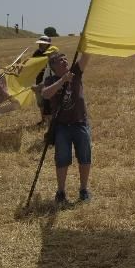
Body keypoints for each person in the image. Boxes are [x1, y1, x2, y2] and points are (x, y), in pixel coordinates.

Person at [43, 52, 92, 204]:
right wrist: (63, 80)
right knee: (62, 160)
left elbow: (86, 56)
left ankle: (83, 190)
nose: (64, 61)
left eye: (65, 58)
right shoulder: (50, 80)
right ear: (53, 66)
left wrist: (85, 44)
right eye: (60, 60)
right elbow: (45, 94)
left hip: (80, 123)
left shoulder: (75, 71)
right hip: (61, 126)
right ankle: (61, 192)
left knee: (85, 158)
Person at [31, 35, 60, 126]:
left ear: (48, 44)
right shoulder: (36, 53)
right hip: (39, 79)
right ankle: (43, 120)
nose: (40, 45)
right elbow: (32, 64)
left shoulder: (53, 54)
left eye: (42, 43)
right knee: (40, 102)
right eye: (40, 43)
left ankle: (53, 122)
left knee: (50, 102)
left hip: (50, 82)